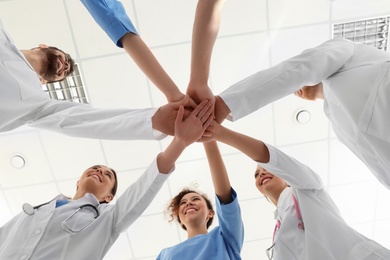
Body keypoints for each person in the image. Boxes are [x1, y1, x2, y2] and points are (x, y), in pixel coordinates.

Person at [0, 99, 214, 260]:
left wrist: (179, 142)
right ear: (78, 181)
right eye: (94, 168)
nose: (98, 171)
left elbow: (144, 188)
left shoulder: (107, 220)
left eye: (107, 174)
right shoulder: (37, 210)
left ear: (109, 197)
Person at [212, 38, 390, 190]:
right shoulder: (335, 119)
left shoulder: (351, 51)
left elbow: (302, 68)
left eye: (296, 86)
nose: (295, 90)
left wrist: (225, 105)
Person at [205, 120, 390, 259]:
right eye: (256, 175)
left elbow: (271, 158)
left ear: (284, 176)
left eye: (265, 169)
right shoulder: (277, 233)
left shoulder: (308, 187)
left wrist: (219, 133)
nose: (261, 174)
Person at [0, 21, 197, 140]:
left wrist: (152, 120)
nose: (66, 66)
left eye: (64, 71)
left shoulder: (35, 102)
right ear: (42, 46)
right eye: (65, 58)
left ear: (43, 82)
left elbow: (81, 120)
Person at [157, 140, 244, 259]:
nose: (189, 203)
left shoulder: (225, 238)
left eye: (195, 199)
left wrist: (209, 139)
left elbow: (226, 198)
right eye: (183, 202)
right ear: (180, 220)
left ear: (210, 213)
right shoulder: (165, 255)